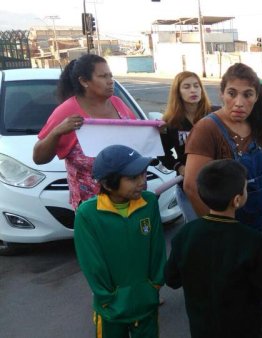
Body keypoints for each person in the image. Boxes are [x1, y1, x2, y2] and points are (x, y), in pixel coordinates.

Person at [165, 159, 262, 338]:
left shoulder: (185, 234)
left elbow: (172, 279)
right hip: (242, 326)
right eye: (245, 188)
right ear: (237, 200)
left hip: (201, 327)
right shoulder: (250, 240)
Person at [74, 144, 166, 338]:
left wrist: (154, 285)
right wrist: (108, 297)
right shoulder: (88, 214)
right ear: (108, 184)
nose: (142, 182)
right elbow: (92, 262)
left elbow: (157, 248)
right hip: (110, 309)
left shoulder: (149, 203)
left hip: (146, 302)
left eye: (143, 174)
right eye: (133, 178)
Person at [183, 63, 262, 249]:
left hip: (261, 223)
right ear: (222, 94)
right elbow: (192, 187)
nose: (239, 102)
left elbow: (257, 172)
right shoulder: (207, 129)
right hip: (230, 233)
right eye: (232, 93)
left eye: (248, 94)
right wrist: (219, 231)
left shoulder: (255, 124)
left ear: (256, 97)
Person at [33, 54, 136, 210]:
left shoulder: (118, 103)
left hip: (130, 200)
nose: (110, 81)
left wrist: (155, 130)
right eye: (103, 76)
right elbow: (38, 158)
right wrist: (57, 132)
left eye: (111, 76)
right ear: (84, 81)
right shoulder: (67, 111)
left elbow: (138, 138)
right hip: (92, 208)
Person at [158, 71, 218, 222]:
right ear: (177, 92)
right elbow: (163, 153)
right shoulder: (170, 122)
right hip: (188, 187)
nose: (193, 90)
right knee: (198, 232)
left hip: (216, 183)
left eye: (196, 86)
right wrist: (179, 167)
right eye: (186, 87)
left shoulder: (215, 114)